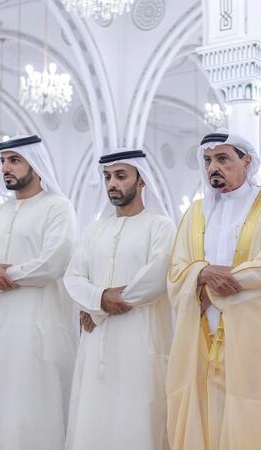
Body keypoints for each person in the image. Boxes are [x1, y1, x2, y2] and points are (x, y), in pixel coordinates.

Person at [166, 129, 261, 450]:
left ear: (247, 162)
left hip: (256, 335)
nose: (213, 167)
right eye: (207, 160)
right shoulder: (195, 213)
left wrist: (209, 287)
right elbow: (177, 271)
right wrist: (202, 272)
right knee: (207, 413)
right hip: (203, 333)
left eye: (222, 159)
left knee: (256, 421)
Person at [0, 135, 77, 450]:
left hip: (36, 328)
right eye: (3, 161)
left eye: (14, 160)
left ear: (35, 164)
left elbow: (53, 262)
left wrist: (0, 275)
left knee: (31, 410)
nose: (6, 168)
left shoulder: (58, 207)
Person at [63, 149, 175, 450]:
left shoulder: (161, 227)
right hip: (95, 345)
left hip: (140, 340)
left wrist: (96, 309)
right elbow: (73, 277)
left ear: (141, 181)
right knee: (94, 419)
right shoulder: (94, 230)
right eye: (108, 177)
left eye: (121, 176)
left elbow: (154, 279)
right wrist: (98, 297)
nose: (112, 183)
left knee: (137, 419)